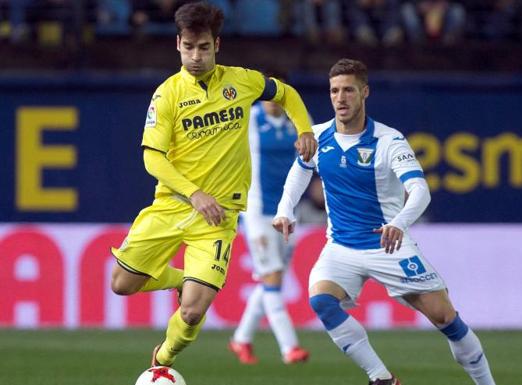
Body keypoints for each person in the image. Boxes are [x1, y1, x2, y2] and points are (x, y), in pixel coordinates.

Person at [109, 1, 317, 368]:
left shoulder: (243, 81)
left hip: (218, 216)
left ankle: (163, 359)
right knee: (121, 284)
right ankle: (179, 280)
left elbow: (285, 93)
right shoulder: (167, 94)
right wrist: (194, 192)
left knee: (191, 312)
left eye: (203, 47)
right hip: (173, 206)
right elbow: (151, 158)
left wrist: (303, 128)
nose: (195, 56)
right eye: (188, 47)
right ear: (177, 44)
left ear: (216, 46)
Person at [272, 58, 496, 385]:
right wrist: (285, 209)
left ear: (365, 92)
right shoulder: (318, 135)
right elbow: (299, 172)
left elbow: (419, 190)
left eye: (349, 90)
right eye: (334, 90)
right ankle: (381, 377)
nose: (340, 98)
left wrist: (399, 223)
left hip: (388, 245)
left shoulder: (389, 141)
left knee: (445, 317)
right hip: (341, 247)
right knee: (321, 301)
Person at [228, 82, 311, 365]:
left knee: (269, 281)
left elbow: (313, 154)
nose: (271, 101)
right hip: (256, 211)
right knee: (273, 278)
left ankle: (240, 339)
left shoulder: (298, 119)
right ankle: (290, 348)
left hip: (287, 211)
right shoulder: (249, 118)